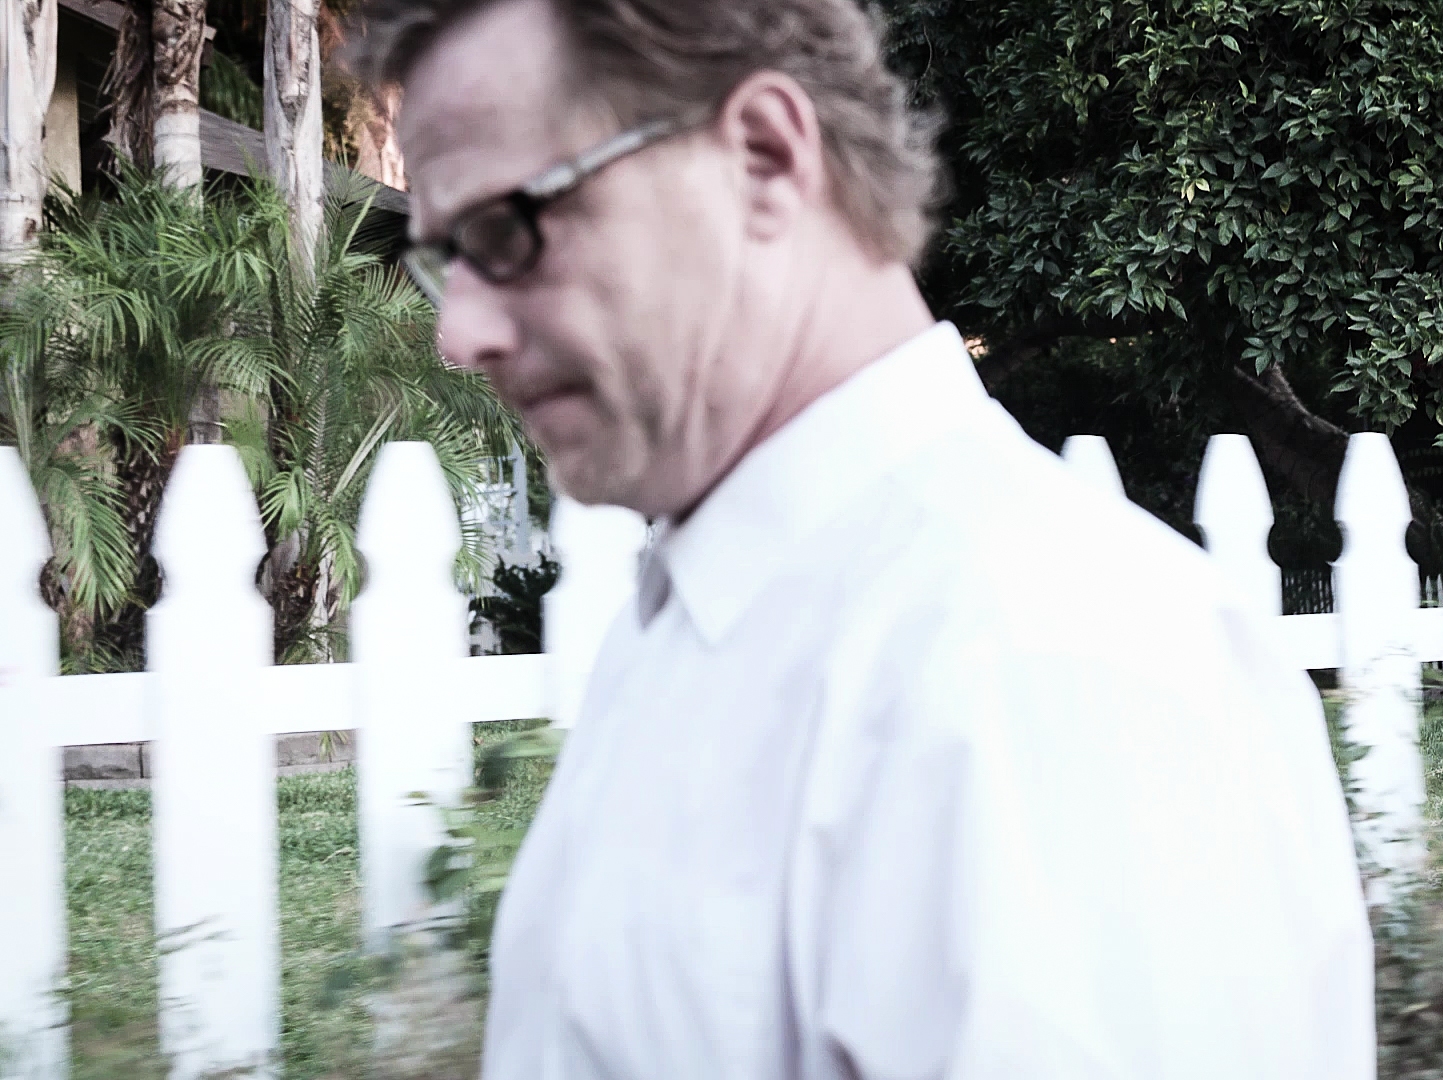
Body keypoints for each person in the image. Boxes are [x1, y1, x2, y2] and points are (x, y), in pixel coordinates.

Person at [348, 1, 1376, 1077]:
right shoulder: (706, 619)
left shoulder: (1040, 668)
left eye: (504, 234)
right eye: (447, 259)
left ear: (763, 159)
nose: (459, 335)